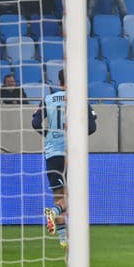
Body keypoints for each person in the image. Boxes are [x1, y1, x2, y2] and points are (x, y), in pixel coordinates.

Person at [33, 70, 97, 249]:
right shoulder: (80, 100)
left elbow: (35, 123)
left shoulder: (48, 99)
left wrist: (48, 135)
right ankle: (53, 213)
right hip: (71, 153)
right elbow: (92, 128)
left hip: (52, 153)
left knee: (58, 196)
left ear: (59, 82)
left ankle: (63, 239)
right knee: (73, 197)